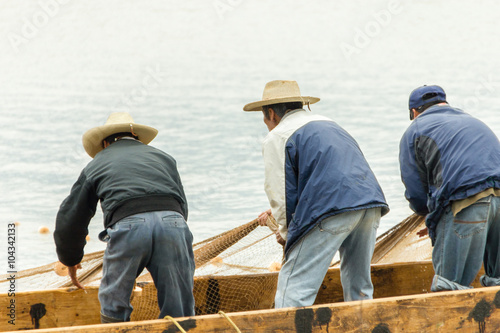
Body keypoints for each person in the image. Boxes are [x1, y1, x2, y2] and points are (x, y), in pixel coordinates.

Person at [243, 80, 389, 308]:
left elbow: (280, 194)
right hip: (369, 204)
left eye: (264, 119)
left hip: (330, 209)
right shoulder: (329, 123)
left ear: (271, 113)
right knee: (359, 288)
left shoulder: (278, 136)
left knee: (293, 291)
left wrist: (286, 233)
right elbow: (328, 174)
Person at [54, 112, 195, 323]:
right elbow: (181, 207)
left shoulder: (96, 165)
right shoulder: (164, 158)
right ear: (135, 135)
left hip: (129, 227)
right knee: (180, 307)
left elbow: (72, 217)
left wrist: (71, 259)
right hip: (173, 224)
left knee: (114, 302)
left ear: (104, 143)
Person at [399, 85, 500, 291]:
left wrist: (430, 216)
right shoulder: (471, 120)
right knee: (497, 281)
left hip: (466, 205)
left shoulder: (415, 130)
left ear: (414, 112)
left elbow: (416, 192)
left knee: (449, 288)